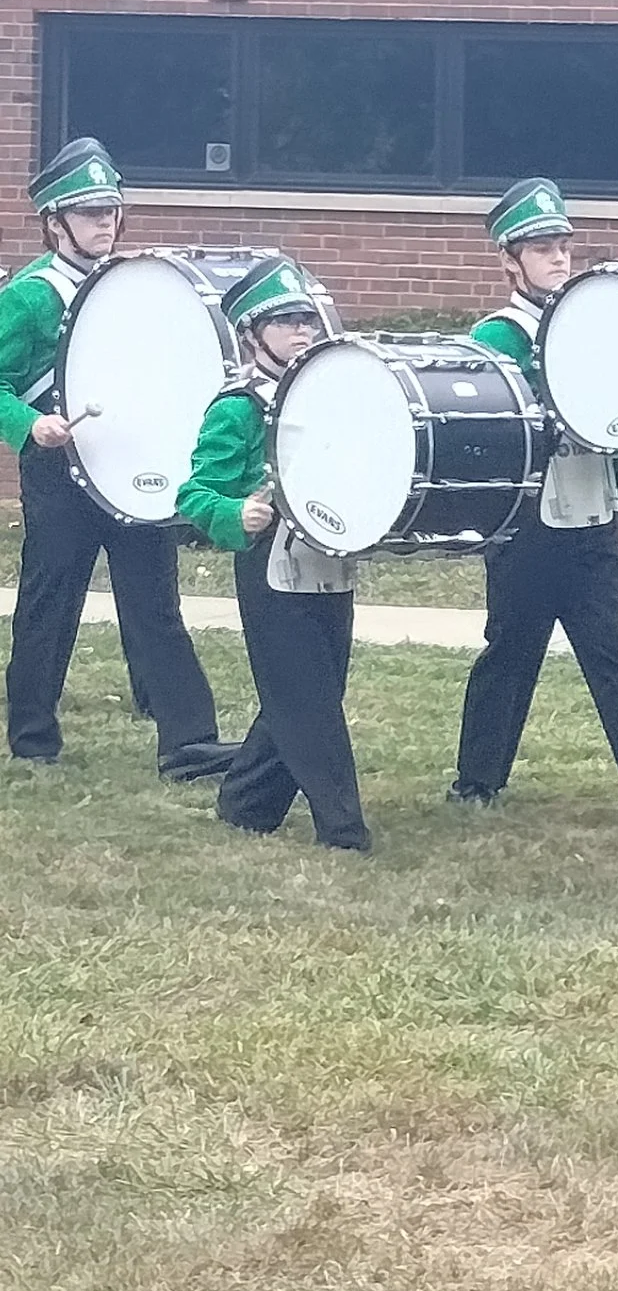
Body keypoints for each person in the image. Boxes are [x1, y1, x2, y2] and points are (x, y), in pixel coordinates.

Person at [448, 178, 618, 824]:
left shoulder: (594, 324)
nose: (559, 258)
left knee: (612, 649)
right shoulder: (499, 335)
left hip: (590, 513)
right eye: (542, 247)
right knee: (511, 649)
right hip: (527, 521)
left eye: (563, 245)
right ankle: (477, 778)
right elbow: (503, 424)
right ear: (510, 259)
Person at [0, 138, 235, 779]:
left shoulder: (130, 284)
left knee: (153, 602)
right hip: (59, 469)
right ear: (55, 223)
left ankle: (187, 741)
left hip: (129, 463)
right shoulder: (30, 296)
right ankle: (33, 734)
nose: (105, 222)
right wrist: (31, 424)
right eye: (89, 212)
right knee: (52, 599)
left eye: (111, 210)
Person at [176, 256, 370, 852]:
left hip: (329, 562)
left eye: (305, 318)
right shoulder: (238, 406)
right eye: (284, 321)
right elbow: (195, 490)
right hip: (270, 566)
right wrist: (235, 514)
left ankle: (247, 804)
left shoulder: (327, 392)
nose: (301, 330)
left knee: (309, 690)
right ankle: (343, 829)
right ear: (251, 335)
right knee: (307, 700)